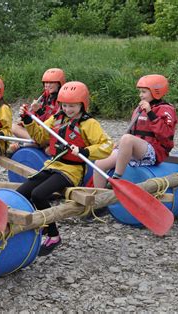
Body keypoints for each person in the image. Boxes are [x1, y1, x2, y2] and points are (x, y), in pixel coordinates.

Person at [16, 82, 113, 256]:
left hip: (71, 170)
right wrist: (28, 120)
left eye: (72, 106)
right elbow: (40, 136)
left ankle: (53, 235)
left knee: (38, 194)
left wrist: (85, 151)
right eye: (65, 105)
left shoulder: (89, 123)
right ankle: (35, 226)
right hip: (52, 165)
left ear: (82, 104)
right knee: (22, 192)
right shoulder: (56, 118)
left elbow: (107, 145)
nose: (68, 109)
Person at [93, 74, 177, 188]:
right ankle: (100, 197)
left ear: (156, 92)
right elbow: (132, 131)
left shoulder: (166, 109)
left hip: (154, 152)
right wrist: (119, 145)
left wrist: (150, 113)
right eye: (140, 91)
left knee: (127, 139)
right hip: (133, 149)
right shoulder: (139, 108)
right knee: (99, 163)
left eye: (144, 92)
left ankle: (116, 179)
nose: (140, 95)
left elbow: (166, 134)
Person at [7, 68, 64, 155]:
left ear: (59, 84)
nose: (47, 85)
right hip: (39, 132)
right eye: (45, 82)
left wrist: (40, 111)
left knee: (47, 150)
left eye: (51, 82)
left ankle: (23, 145)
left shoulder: (62, 101)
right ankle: (36, 144)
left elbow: (54, 123)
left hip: (51, 134)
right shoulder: (44, 96)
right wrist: (25, 117)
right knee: (14, 127)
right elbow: (34, 117)